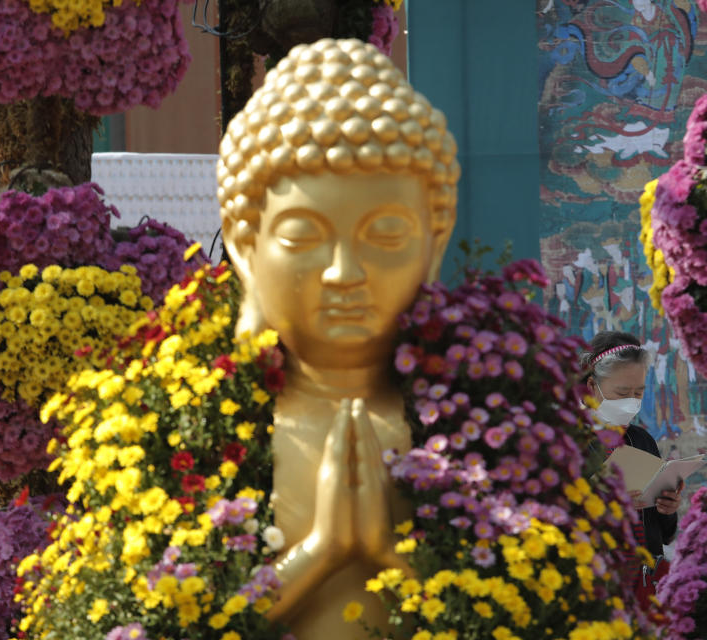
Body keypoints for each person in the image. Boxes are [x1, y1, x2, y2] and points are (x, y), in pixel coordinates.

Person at [219, 38, 459, 640]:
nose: (344, 273)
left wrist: (384, 553)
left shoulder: (482, 413)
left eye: (385, 234)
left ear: (436, 239)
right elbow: (168, 620)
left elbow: (524, 613)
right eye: (303, 236)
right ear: (246, 246)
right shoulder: (205, 416)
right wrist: (322, 551)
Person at [581, 331, 681, 582]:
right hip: (591, 580)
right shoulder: (569, 444)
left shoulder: (641, 440)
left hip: (645, 581)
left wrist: (667, 508)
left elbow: (664, 533)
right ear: (592, 387)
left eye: (638, 393)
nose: (631, 403)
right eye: (622, 392)